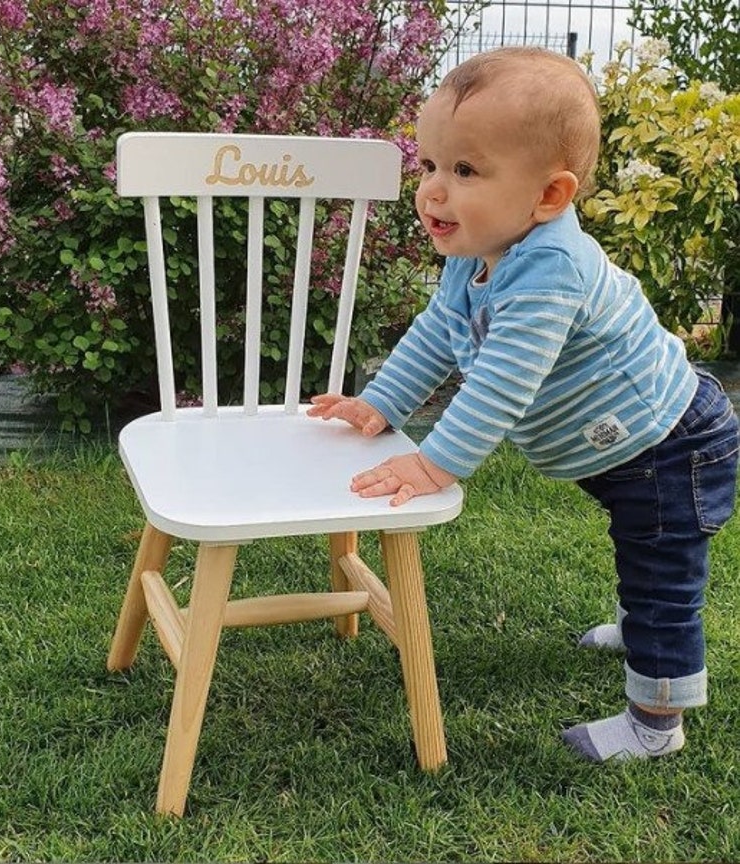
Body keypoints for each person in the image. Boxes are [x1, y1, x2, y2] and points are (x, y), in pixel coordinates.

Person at [307, 46, 739, 763]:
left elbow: (504, 382)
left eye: (466, 171)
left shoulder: (550, 269)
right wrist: (381, 402)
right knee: (641, 557)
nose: (434, 191)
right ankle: (640, 630)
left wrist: (435, 461)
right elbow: (437, 337)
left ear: (549, 196)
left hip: (669, 445)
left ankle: (656, 725)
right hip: (623, 447)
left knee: (662, 576)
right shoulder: (475, 255)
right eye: (429, 166)